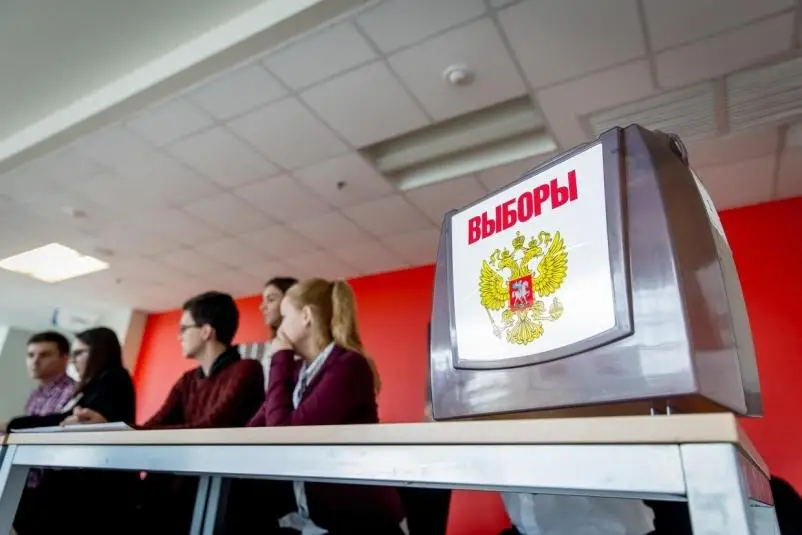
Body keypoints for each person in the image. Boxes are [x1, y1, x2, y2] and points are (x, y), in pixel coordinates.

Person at [247, 278, 405, 534]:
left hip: (361, 523)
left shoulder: (348, 366)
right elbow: (254, 430)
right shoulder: (297, 371)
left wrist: (279, 358)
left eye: (285, 317)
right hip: (313, 520)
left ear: (306, 316)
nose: (279, 329)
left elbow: (282, 437)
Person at [105, 291, 266, 533]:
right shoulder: (188, 379)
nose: (178, 336)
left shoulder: (247, 370)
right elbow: (153, 426)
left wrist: (128, 432)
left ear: (206, 331)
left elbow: (210, 429)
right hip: (184, 483)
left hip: (219, 493)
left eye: (183, 329)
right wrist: (108, 426)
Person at [9, 327, 136, 535]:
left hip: (91, 487)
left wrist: (12, 424)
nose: (73, 360)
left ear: (99, 352)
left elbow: (71, 420)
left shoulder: (113, 379)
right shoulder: (93, 384)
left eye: (79, 353)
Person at [0, 331, 75, 434]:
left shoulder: (72, 391)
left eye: (44, 355)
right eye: (31, 355)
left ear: (65, 359)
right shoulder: (35, 394)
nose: (35, 361)